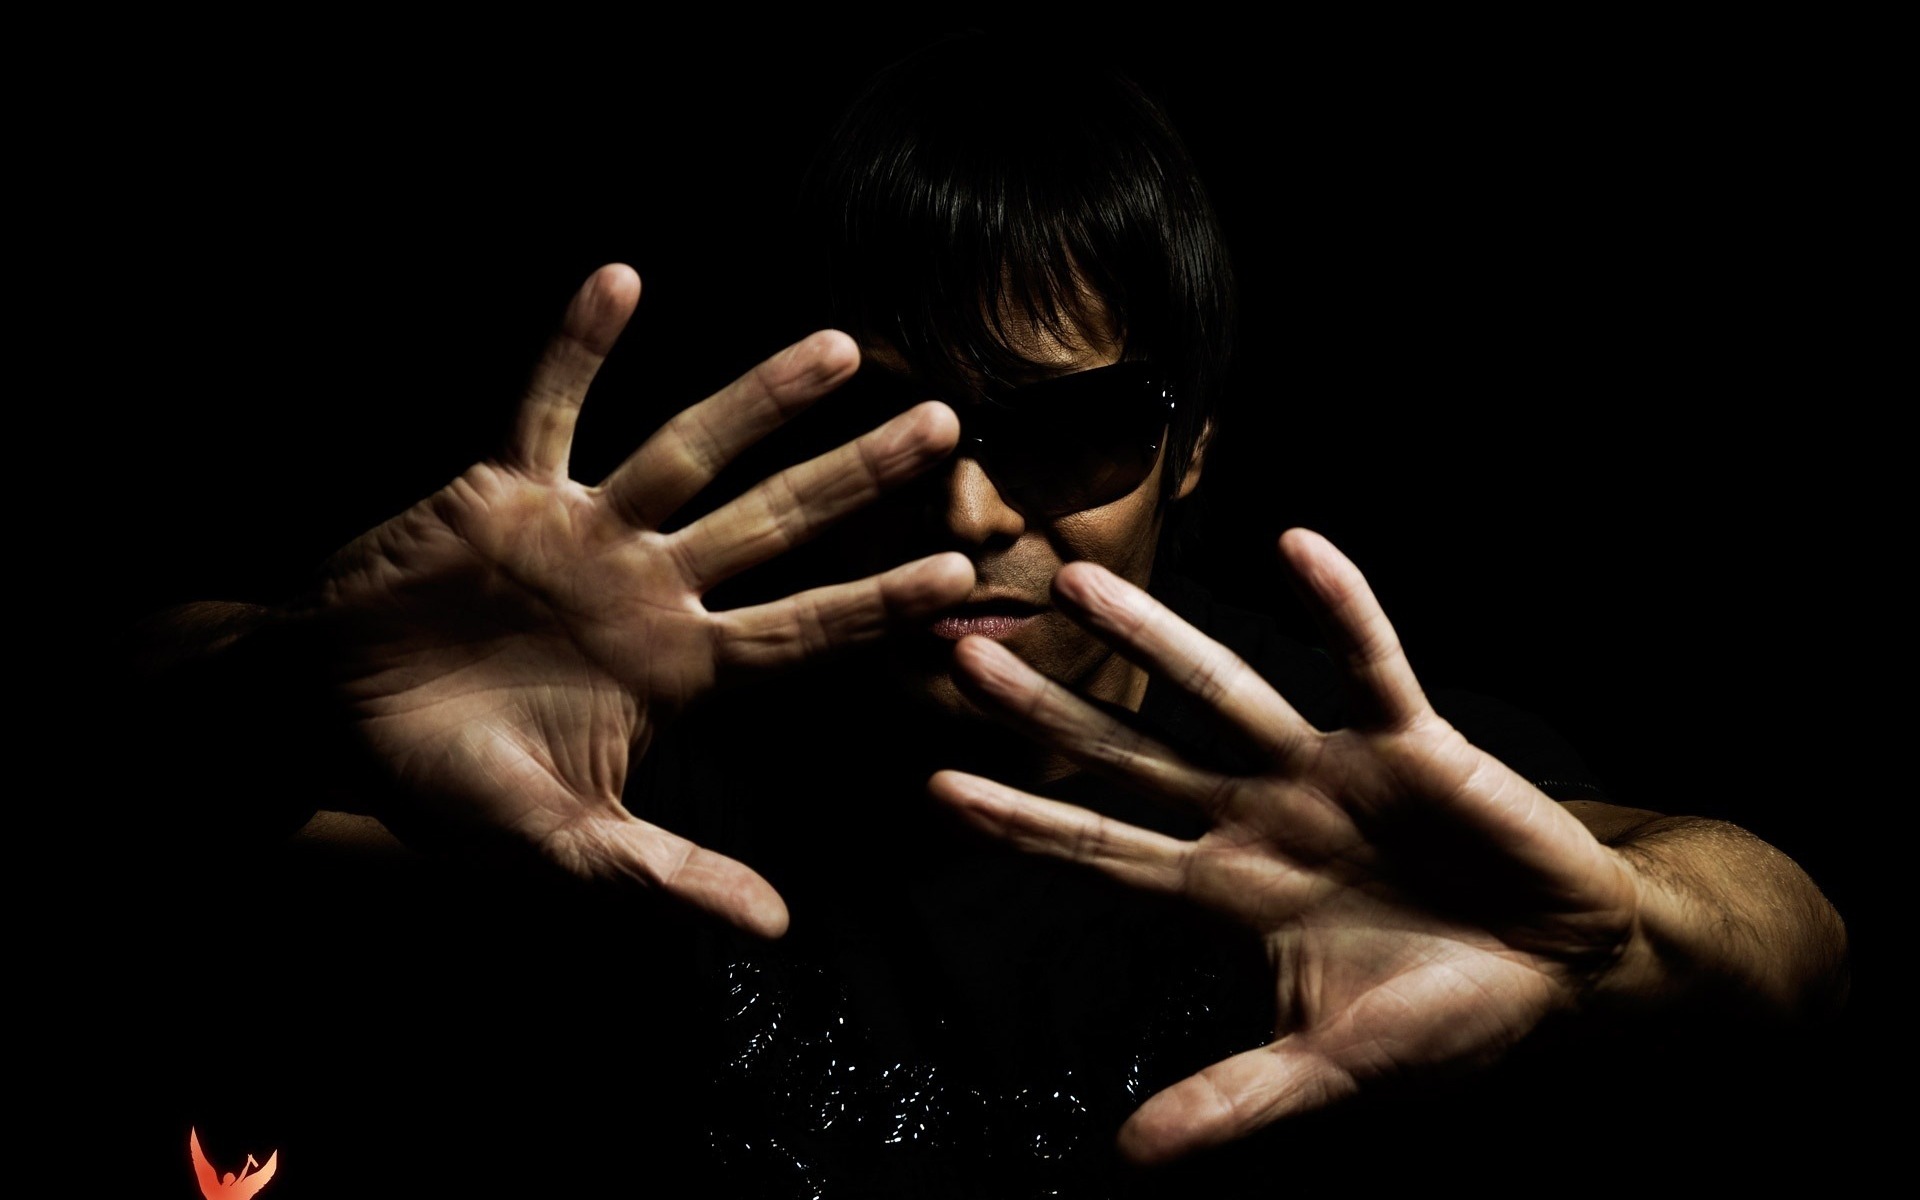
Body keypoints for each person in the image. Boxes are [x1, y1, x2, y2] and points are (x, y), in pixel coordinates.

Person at [106, 35, 1852, 1197]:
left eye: (1070, 430)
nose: (969, 509)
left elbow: (1781, 928)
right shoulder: (615, 753)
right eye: (902, 427)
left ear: (1191, 448)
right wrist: (294, 683)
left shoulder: (1340, 784)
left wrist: (1619, 940)